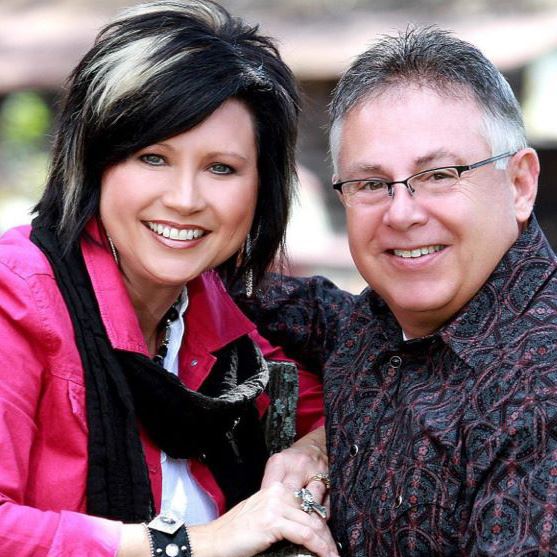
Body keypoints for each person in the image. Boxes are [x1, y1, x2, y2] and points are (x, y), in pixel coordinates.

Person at [0, 2, 339, 556]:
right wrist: (190, 544)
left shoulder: (218, 319)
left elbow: (352, 410)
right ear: (95, 161)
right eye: (153, 158)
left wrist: (312, 452)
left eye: (221, 168)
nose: (184, 200)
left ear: (263, 190)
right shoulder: (16, 296)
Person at [235, 26, 557, 555]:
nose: (402, 213)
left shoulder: (537, 395)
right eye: (371, 184)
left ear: (520, 184)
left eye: (440, 175)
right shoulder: (381, 324)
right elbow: (301, 307)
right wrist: (322, 446)